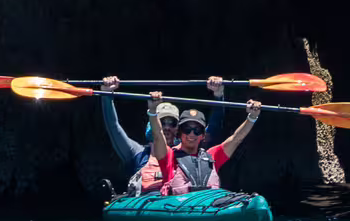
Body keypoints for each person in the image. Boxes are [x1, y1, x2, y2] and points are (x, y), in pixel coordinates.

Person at [100, 75, 228, 194]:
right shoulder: (138, 153)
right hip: (148, 206)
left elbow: (213, 128)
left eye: (172, 123)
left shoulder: (188, 147)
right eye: (162, 122)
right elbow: (113, 127)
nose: (167, 127)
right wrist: (106, 94)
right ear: (153, 122)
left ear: (178, 129)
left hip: (179, 205)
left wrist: (218, 95)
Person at [148, 89, 261, 194]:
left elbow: (236, 139)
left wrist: (252, 117)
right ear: (179, 132)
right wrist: (153, 111)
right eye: (187, 129)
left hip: (206, 209)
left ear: (203, 135)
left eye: (197, 130)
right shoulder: (168, 155)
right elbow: (158, 135)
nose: (192, 134)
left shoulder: (212, 156)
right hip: (177, 209)